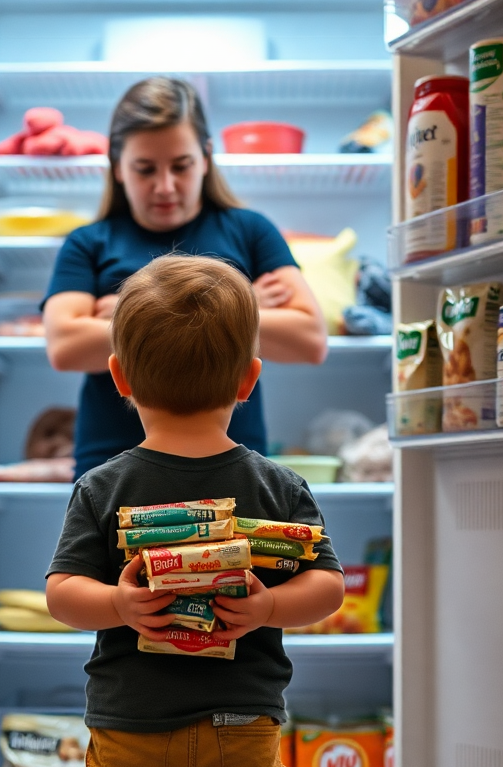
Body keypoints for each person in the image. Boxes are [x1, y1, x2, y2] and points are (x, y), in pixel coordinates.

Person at [45, 255, 344, 767]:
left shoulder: (103, 486)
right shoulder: (275, 483)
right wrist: (267, 608)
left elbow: (62, 593)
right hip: (240, 727)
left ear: (118, 377)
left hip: (132, 726)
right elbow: (327, 585)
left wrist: (120, 605)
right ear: (251, 378)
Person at [43, 77, 327, 478]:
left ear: (206, 157)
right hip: (113, 469)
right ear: (118, 166)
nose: (165, 186)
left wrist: (121, 316)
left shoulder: (251, 231)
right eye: (145, 169)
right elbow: (65, 347)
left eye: (181, 166)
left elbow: (310, 339)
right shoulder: (87, 243)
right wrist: (239, 304)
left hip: (232, 465)